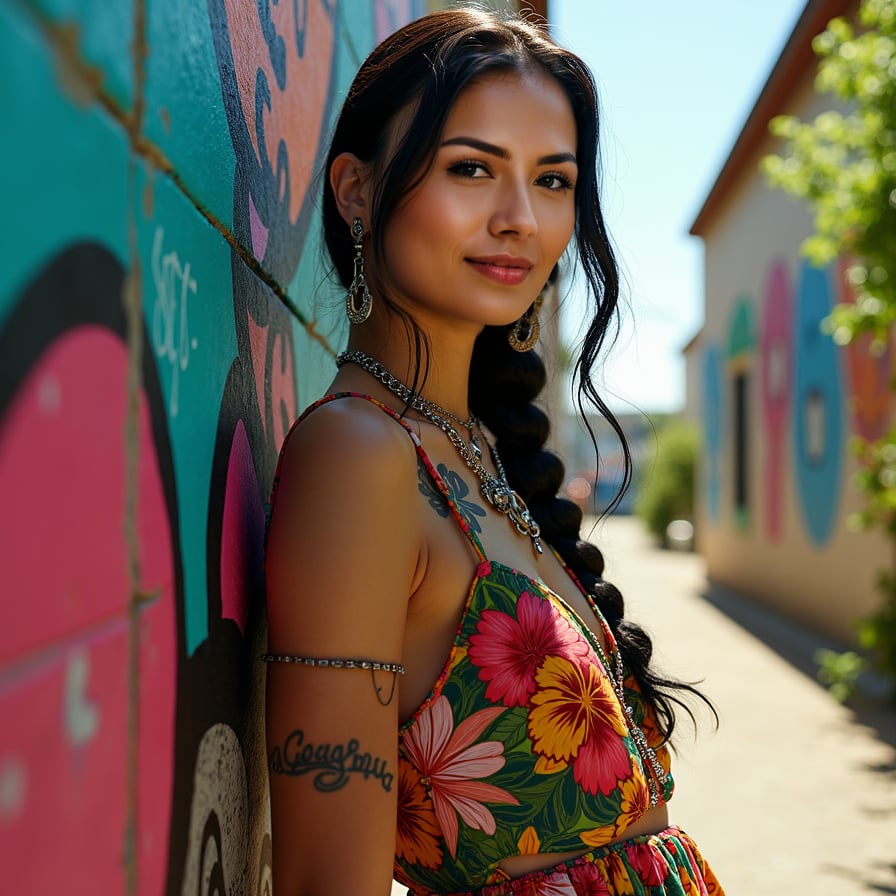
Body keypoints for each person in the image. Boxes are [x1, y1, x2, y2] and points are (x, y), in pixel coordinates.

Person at [263, 7, 725, 895]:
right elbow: (327, 878)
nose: (520, 219)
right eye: (471, 168)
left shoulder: (470, 449)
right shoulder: (360, 456)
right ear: (355, 190)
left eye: (552, 181)